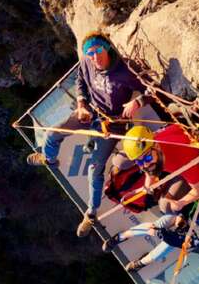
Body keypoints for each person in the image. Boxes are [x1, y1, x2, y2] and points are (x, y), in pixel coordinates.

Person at [26, 31, 154, 237]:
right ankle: (49, 159)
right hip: (90, 113)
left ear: (107, 48)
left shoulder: (124, 71)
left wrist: (137, 101)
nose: (95, 57)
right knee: (52, 134)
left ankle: (91, 213)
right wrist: (81, 104)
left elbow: (152, 89)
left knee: (94, 170)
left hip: (112, 125)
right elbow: (80, 81)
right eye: (90, 53)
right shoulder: (86, 62)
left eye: (98, 50)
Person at [102, 210, 199, 272]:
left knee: (163, 249)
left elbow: (181, 241)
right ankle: (119, 237)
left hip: (184, 232)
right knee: (154, 226)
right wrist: (181, 216)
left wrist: (167, 235)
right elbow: (194, 203)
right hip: (182, 217)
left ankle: (141, 263)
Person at [122, 124, 199, 214]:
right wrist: (143, 189)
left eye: (147, 158)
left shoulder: (181, 162)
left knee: (166, 206)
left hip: (192, 157)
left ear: (157, 146)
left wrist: (181, 203)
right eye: (139, 162)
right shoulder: (152, 142)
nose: (145, 165)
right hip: (182, 133)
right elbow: (150, 171)